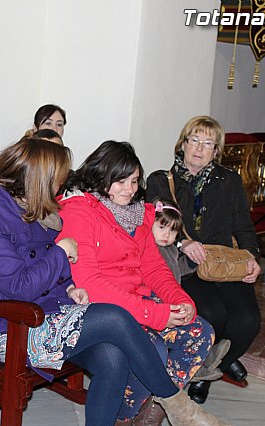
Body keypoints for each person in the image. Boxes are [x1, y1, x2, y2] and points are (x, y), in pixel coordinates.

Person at [0, 138, 227, 426]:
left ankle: (164, 407)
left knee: (113, 357)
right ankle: (177, 405)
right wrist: (61, 253)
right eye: (56, 181)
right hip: (5, 328)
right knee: (114, 318)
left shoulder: (28, 205)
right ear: (38, 180)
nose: (59, 189)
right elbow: (20, 285)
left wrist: (69, 287)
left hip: (45, 311)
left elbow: (48, 267)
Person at [57, 141, 214, 423]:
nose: (129, 190)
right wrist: (156, 314)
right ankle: (124, 416)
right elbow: (90, 283)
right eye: (120, 181)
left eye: (133, 181)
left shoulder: (140, 212)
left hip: (137, 301)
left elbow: (154, 268)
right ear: (100, 176)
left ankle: (150, 415)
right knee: (152, 347)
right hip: (101, 309)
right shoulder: (79, 210)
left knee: (200, 332)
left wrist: (179, 301)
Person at [146, 115, 262, 404]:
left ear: (216, 150)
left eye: (207, 143)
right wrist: (183, 242)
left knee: (248, 321)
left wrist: (252, 257)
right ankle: (206, 373)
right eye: (194, 140)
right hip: (186, 267)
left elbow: (244, 226)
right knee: (214, 315)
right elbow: (157, 222)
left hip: (222, 264)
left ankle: (214, 365)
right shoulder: (161, 180)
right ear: (182, 144)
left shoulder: (229, 181)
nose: (199, 148)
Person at [152, 198, 231, 386]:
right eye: (162, 228)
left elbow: (178, 269)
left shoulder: (169, 249)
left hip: (171, 297)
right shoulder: (149, 247)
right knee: (181, 326)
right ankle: (199, 364)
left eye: (172, 231)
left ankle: (200, 363)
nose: (166, 235)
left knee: (194, 323)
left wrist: (193, 262)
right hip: (156, 301)